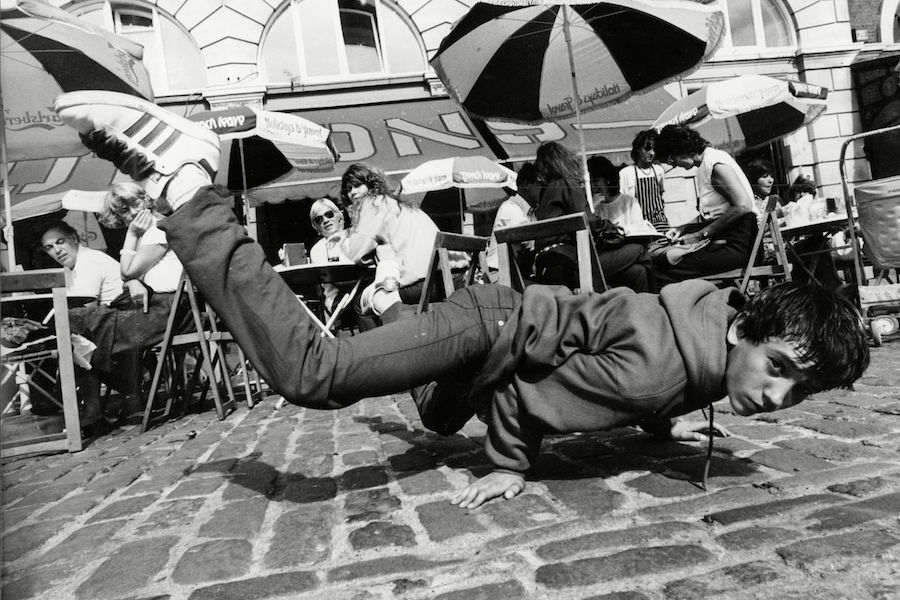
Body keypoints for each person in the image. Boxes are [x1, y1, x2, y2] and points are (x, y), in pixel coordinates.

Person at [55, 90, 871, 509]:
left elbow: (629, 356)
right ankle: (189, 182)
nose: (777, 396)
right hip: (492, 329)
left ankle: (394, 323)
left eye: (797, 391)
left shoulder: (702, 327)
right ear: (748, 330)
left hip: (497, 319)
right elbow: (532, 398)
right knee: (314, 373)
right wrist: (514, 463)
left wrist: (672, 416)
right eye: (783, 370)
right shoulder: (664, 368)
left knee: (438, 418)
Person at [66, 181, 187, 431]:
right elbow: (135, 274)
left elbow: (127, 270)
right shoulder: (151, 229)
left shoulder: (157, 229)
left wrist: (131, 237)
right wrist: (134, 281)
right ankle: (117, 400)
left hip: (170, 310)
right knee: (82, 324)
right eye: (123, 211)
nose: (131, 213)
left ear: (145, 199)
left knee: (81, 324)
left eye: (134, 204)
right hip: (159, 305)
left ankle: (103, 406)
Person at [339, 163, 467, 317]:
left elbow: (354, 253)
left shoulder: (373, 205)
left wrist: (345, 235)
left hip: (425, 283)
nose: (352, 192)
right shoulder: (400, 205)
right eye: (348, 189)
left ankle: (397, 339)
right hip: (453, 277)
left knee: (362, 304)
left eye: (357, 185)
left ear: (371, 185)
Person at [651, 125, 758, 290]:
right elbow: (718, 213)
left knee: (662, 269)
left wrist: (699, 235)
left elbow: (743, 206)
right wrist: (684, 228)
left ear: (681, 150)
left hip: (739, 245)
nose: (675, 165)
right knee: (663, 259)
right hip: (727, 240)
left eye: (672, 160)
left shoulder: (714, 164)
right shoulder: (704, 165)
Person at [40, 221, 123, 305]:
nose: (57, 250)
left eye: (60, 242)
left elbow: (88, 308)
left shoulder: (87, 260)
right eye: (49, 247)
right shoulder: (75, 264)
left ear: (74, 238)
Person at [485, 163, 537, 275]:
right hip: (500, 275)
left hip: (513, 274)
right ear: (526, 184)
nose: (544, 189)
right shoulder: (510, 208)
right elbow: (527, 241)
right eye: (540, 184)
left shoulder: (529, 211)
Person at [619, 130, 669, 232]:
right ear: (637, 149)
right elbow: (622, 203)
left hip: (659, 222)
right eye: (647, 149)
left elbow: (661, 194)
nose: (651, 153)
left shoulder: (658, 170)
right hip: (637, 223)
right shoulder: (626, 173)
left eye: (654, 150)